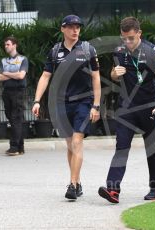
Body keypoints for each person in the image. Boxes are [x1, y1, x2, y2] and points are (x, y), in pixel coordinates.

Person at [98, 17, 155, 203]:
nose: (128, 42)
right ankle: (113, 190)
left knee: (152, 149)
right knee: (121, 147)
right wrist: (114, 74)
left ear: (139, 33)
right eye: (124, 38)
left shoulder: (152, 51)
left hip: (149, 106)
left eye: (131, 38)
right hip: (127, 108)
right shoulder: (119, 51)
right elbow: (114, 74)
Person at [32, 15, 101, 200]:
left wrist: (96, 105)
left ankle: (72, 184)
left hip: (84, 101)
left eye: (78, 26)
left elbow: (96, 77)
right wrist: (37, 100)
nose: (75, 30)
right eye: (71, 27)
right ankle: (77, 182)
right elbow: (45, 76)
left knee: (78, 141)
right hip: (62, 102)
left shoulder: (88, 49)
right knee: (70, 145)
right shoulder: (55, 52)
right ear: (63, 29)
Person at [0, 36, 29, 157]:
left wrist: (6, 73)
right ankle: (20, 147)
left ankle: (14, 147)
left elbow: (21, 76)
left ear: (15, 45)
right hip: (6, 92)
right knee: (11, 117)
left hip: (18, 92)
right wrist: (13, 75)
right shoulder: (3, 61)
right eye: (5, 45)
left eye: (8, 44)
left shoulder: (23, 59)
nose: (6, 46)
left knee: (16, 118)